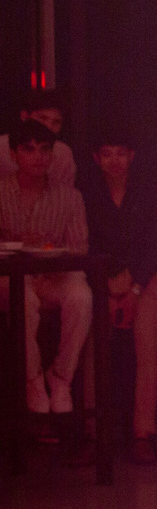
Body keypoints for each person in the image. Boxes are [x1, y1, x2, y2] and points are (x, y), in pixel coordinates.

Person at [84, 125, 157, 459]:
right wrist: (107, 281)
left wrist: (134, 287)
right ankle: (93, 431)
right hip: (102, 277)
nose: (115, 161)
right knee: (93, 342)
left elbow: (155, 246)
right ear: (96, 158)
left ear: (132, 156)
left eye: (121, 153)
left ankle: (143, 431)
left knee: (146, 342)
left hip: (144, 277)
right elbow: (86, 243)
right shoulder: (87, 195)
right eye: (107, 154)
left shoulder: (149, 192)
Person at [0, 118, 91, 414]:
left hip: (53, 273)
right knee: (23, 298)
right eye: (29, 149)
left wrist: (49, 251)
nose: (38, 156)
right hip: (11, 277)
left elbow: (79, 248)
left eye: (44, 149)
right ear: (13, 154)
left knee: (81, 295)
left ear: (52, 154)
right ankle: (34, 380)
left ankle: (61, 377)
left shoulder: (69, 197)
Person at [0, 89, 78, 186]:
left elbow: (65, 192)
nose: (49, 127)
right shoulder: (2, 148)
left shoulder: (63, 153)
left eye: (56, 122)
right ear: (24, 116)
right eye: (42, 118)